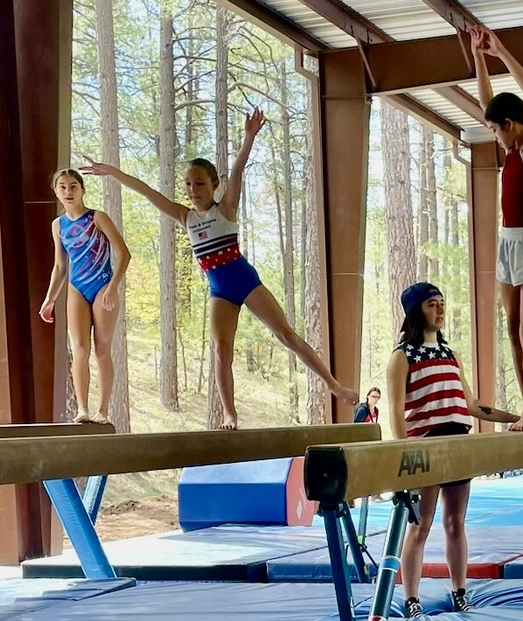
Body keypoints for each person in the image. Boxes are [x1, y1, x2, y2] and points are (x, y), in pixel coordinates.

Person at [82, 110, 357, 429]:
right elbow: (146, 191)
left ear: (214, 185)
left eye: (199, 183)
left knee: (286, 334)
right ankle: (230, 412)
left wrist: (249, 137)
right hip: (219, 290)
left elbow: (238, 169)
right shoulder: (186, 218)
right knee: (220, 349)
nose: (192, 189)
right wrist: (113, 172)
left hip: (245, 280)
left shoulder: (225, 208)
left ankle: (333, 385)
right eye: (187, 184)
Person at [389, 283, 519, 618]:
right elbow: (395, 411)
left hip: (459, 443)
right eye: (433, 304)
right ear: (417, 310)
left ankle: (460, 590)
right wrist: (406, 453)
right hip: (427, 445)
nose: (441, 310)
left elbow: (472, 405)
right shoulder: (403, 356)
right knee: (421, 524)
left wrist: (518, 418)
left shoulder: (450, 355)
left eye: (443, 303)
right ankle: (411, 598)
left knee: (455, 522)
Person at [469, 24, 523, 433]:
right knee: (511, 326)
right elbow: (489, 101)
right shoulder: (507, 145)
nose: (494, 137)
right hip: (508, 242)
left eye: (495, 128)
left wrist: (500, 49)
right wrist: (479, 57)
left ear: (510, 123)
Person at [38, 170, 131, 424]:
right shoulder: (58, 225)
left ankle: (103, 410)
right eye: (63, 187)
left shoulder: (97, 218)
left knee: (102, 348)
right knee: (79, 348)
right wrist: (49, 299)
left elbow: (123, 253)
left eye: (74, 186)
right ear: (55, 190)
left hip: (102, 284)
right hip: (76, 288)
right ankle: (82, 408)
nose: (69, 192)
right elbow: (60, 266)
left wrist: (113, 286)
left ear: (82, 190)